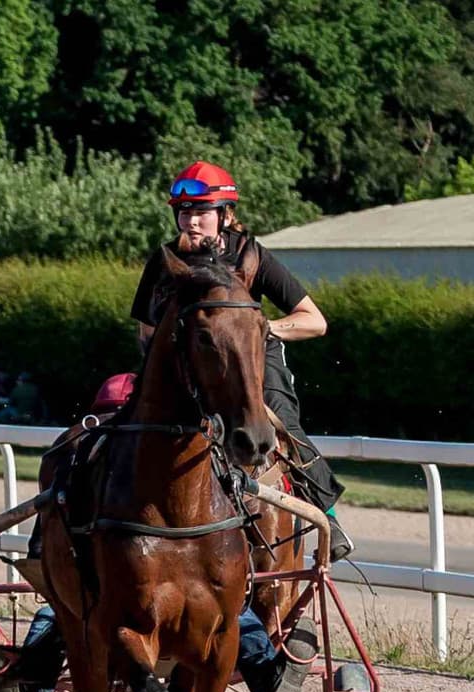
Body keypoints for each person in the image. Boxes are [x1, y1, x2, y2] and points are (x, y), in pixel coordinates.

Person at [0, 374, 317, 692]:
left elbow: (43, 553)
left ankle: (31, 685)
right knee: (229, 611)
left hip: (100, 596)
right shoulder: (148, 469)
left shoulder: (83, 467)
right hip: (167, 597)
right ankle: (268, 674)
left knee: (61, 610)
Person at [132, 162, 351, 562]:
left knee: (281, 420)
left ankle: (326, 515)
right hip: (183, 366)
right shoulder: (163, 262)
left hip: (251, 359)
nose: (190, 221)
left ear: (225, 214)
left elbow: (314, 321)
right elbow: (146, 333)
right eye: (184, 212)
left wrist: (264, 329)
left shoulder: (253, 255)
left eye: (200, 212)